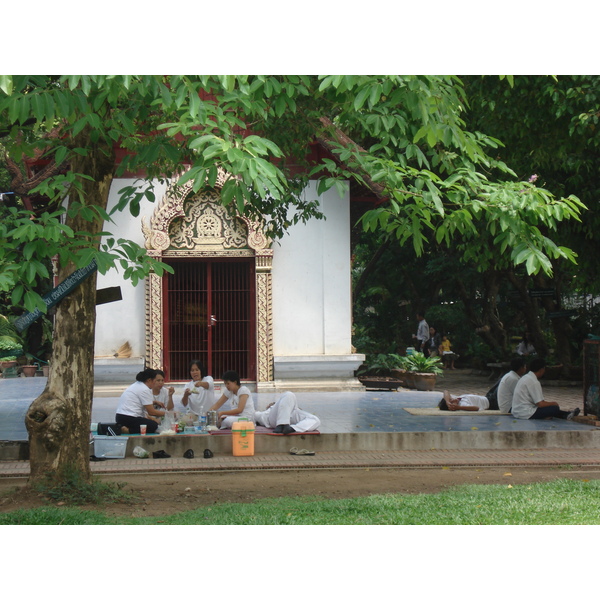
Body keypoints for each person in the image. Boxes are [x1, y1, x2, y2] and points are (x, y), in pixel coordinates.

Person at [511, 357, 580, 420]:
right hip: (525, 413)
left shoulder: (526, 377)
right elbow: (540, 404)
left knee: (550, 409)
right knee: (554, 408)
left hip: (517, 411)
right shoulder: (534, 382)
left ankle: (566, 415)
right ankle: (564, 415)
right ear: (541, 369)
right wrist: (554, 403)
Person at [115, 368, 166, 434]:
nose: (155, 383)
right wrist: (168, 413)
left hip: (121, 416)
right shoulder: (144, 389)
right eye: (155, 381)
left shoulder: (137, 385)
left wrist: (154, 402)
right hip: (129, 417)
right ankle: (128, 431)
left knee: (150, 423)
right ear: (149, 380)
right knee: (153, 426)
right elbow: (151, 412)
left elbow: (139, 401)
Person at [255, 391, 321, 434]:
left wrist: (293, 428)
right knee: (289, 394)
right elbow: (253, 416)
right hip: (273, 419)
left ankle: (291, 428)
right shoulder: (265, 413)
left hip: (292, 416)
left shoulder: (291, 405)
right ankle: (282, 424)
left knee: (316, 420)